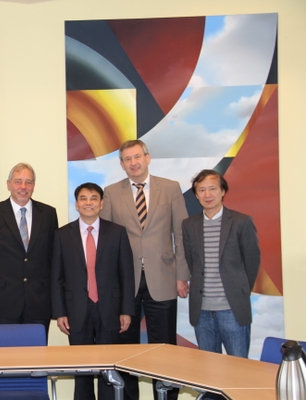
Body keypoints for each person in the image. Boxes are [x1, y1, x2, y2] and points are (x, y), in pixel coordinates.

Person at [100, 140, 189, 400]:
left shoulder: (170, 188)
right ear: (121, 164)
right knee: (126, 348)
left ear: (147, 158)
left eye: (137, 156)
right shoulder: (111, 193)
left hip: (163, 278)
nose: (133, 163)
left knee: (164, 348)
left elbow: (181, 235)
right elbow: (106, 241)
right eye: (127, 159)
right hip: (125, 282)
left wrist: (182, 275)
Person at [52, 182, 134, 400]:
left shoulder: (117, 232)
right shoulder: (62, 235)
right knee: (82, 370)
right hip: (76, 309)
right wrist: (60, 313)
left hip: (110, 308)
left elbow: (127, 274)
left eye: (94, 198)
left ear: (101, 204)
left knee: (108, 368)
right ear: (76, 204)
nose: (88, 203)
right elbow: (56, 277)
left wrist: (126, 310)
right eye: (83, 198)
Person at [182, 169, 260, 358]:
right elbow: (192, 262)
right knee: (209, 368)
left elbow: (252, 261)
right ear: (196, 195)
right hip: (202, 311)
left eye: (212, 189)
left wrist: (239, 289)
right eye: (201, 190)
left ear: (223, 191)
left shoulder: (241, 222)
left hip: (232, 309)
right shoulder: (189, 225)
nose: (207, 195)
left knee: (238, 366)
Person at [0, 162, 58, 335]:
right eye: (18, 181)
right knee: (6, 351)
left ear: (33, 186)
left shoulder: (48, 214)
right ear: (8, 184)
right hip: (4, 301)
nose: (23, 187)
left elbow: (52, 256)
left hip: (39, 301)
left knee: (37, 351)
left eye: (28, 182)